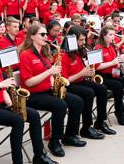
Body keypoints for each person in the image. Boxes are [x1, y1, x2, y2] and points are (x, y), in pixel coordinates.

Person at [0, 38, 57, 164]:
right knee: (18, 120)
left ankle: (39, 156)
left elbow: (3, 91)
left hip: (1, 105)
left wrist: (10, 102)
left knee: (34, 115)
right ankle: (17, 161)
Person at [19, 23, 86, 158]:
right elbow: (28, 82)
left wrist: (54, 83)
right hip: (33, 95)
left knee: (77, 101)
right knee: (60, 105)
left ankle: (70, 135)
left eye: (45, 34)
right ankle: (54, 141)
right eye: (42, 34)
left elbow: (48, 75)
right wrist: (50, 71)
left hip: (46, 90)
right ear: (32, 36)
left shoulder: (44, 53)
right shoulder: (26, 55)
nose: (45, 37)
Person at [60, 26, 116, 138]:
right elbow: (65, 81)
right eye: (80, 40)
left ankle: (100, 122)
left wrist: (89, 69)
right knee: (88, 92)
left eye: (84, 39)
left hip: (79, 81)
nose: (83, 42)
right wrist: (82, 73)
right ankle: (86, 127)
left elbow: (82, 71)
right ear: (71, 40)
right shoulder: (63, 55)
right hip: (69, 85)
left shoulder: (78, 52)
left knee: (102, 88)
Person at [94, 26, 124, 125]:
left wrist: (119, 64)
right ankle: (119, 112)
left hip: (113, 74)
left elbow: (115, 63)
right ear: (104, 36)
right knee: (118, 86)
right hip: (101, 76)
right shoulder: (97, 48)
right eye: (110, 35)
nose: (113, 37)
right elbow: (96, 67)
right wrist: (112, 63)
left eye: (114, 34)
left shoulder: (113, 47)